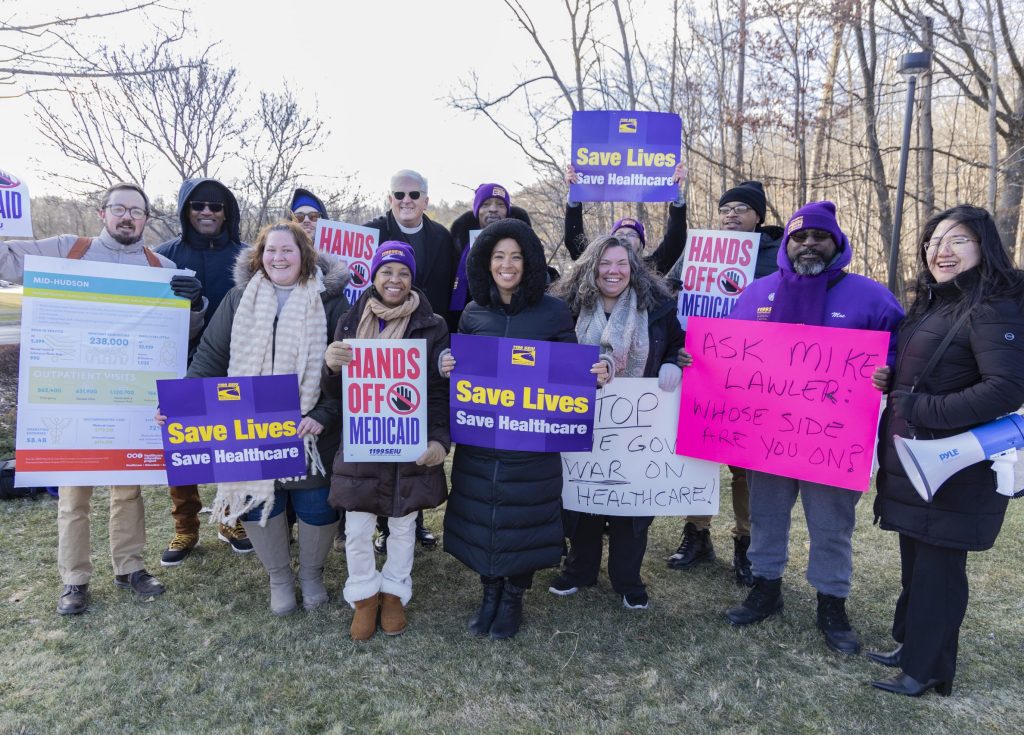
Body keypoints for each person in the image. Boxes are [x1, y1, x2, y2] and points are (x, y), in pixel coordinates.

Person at [681, 201, 903, 655]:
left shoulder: (871, 297)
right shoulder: (756, 293)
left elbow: (904, 350)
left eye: (819, 236)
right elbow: (728, 355)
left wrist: (891, 372)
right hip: (768, 437)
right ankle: (766, 587)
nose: (808, 244)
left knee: (831, 524)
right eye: (799, 237)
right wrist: (696, 360)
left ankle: (831, 601)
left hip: (833, 440)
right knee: (766, 515)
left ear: (836, 242)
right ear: (787, 244)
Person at [0, 182, 206, 615]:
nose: (127, 217)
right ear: (102, 213)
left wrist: (196, 304)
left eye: (137, 210)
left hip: (130, 398)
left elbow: (181, 337)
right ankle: (74, 580)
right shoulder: (66, 250)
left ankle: (129, 567)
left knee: (128, 489)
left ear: (146, 219)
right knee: (74, 496)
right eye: (119, 209)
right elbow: (6, 261)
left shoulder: (162, 267)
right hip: (72, 396)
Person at [868, 205, 1024, 696]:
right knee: (917, 560)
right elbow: (943, 368)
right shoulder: (937, 304)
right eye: (935, 240)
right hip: (918, 461)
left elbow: (1005, 388)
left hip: (956, 467)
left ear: (984, 248)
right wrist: (895, 381)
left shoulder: (994, 305)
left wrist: (922, 406)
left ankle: (926, 669)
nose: (942, 250)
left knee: (939, 570)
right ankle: (912, 643)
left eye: (958, 240)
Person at [164, 221, 348, 615]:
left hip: (310, 428)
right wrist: (182, 408)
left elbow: (346, 371)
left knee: (316, 502)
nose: (279, 257)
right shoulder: (239, 297)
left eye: (288, 250)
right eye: (271, 250)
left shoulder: (331, 301)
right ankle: (279, 578)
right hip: (249, 426)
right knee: (260, 500)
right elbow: (211, 358)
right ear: (259, 256)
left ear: (305, 256)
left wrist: (324, 413)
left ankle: (312, 575)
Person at [441, 218, 595, 640]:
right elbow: (459, 370)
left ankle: (513, 597)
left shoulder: (553, 311)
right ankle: (489, 592)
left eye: (516, 256)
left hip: (532, 443)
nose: (507, 265)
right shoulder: (472, 312)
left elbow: (570, 368)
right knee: (483, 512)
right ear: (486, 264)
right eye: (498, 257)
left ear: (528, 262)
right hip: (482, 441)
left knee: (524, 517)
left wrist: (591, 372)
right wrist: (446, 365)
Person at [322, 242, 450, 640]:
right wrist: (330, 366)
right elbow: (335, 392)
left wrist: (439, 440)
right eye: (387, 272)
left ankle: (394, 592)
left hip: (408, 440)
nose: (395, 280)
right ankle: (363, 596)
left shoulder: (433, 325)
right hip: (362, 438)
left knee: (403, 522)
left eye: (403, 273)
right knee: (357, 525)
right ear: (374, 277)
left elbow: (438, 392)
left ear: (413, 279)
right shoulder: (349, 319)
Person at [548, 234, 684, 609]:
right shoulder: (567, 308)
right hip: (583, 417)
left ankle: (627, 578)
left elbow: (676, 343)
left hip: (640, 422)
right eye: (605, 263)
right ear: (591, 268)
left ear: (633, 268)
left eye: (621, 264)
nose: (613, 271)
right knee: (585, 498)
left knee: (631, 502)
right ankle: (580, 569)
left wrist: (673, 361)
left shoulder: (656, 306)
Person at [665, 180, 785, 585]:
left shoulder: (779, 256)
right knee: (699, 454)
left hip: (756, 375)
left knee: (744, 464)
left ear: (758, 216)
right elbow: (667, 292)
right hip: (702, 367)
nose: (731, 214)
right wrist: (675, 344)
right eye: (725, 208)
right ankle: (697, 534)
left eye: (741, 208)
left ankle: (745, 543)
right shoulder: (700, 251)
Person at [156, 178, 252, 563]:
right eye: (198, 206)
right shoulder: (163, 256)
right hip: (181, 363)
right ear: (185, 210)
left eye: (216, 206)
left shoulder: (247, 257)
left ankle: (231, 517)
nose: (207, 212)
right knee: (182, 448)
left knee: (236, 445)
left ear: (227, 211)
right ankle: (185, 528)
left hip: (235, 364)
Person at [364, 170, 456, 550]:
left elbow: (452, 292)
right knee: (381, 441)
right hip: (377, 344)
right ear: (389, 198)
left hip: (425, 343)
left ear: (425, 199)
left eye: (414, 193)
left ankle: (414, 522)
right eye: (399, 193)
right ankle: (383, 525)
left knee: (415, 438)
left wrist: (443, 346)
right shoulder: (369, 233)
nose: (406, 199)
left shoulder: (442, 239)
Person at [563, 162, 688, 274]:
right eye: (619, 234)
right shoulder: (597, 265)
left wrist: (676, 198)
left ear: (641, 245)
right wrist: (574, 197)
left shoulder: (650, 269)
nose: (624, 237)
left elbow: (675, 241)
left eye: (632, 235)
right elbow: (575, 242)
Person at [448, 182, 532, 333]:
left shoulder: (524, 240)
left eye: (500, 204)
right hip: (471, 318)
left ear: (507, 210)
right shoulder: (458, 244)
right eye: (486, 204)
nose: (493, 209)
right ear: (477, 210)